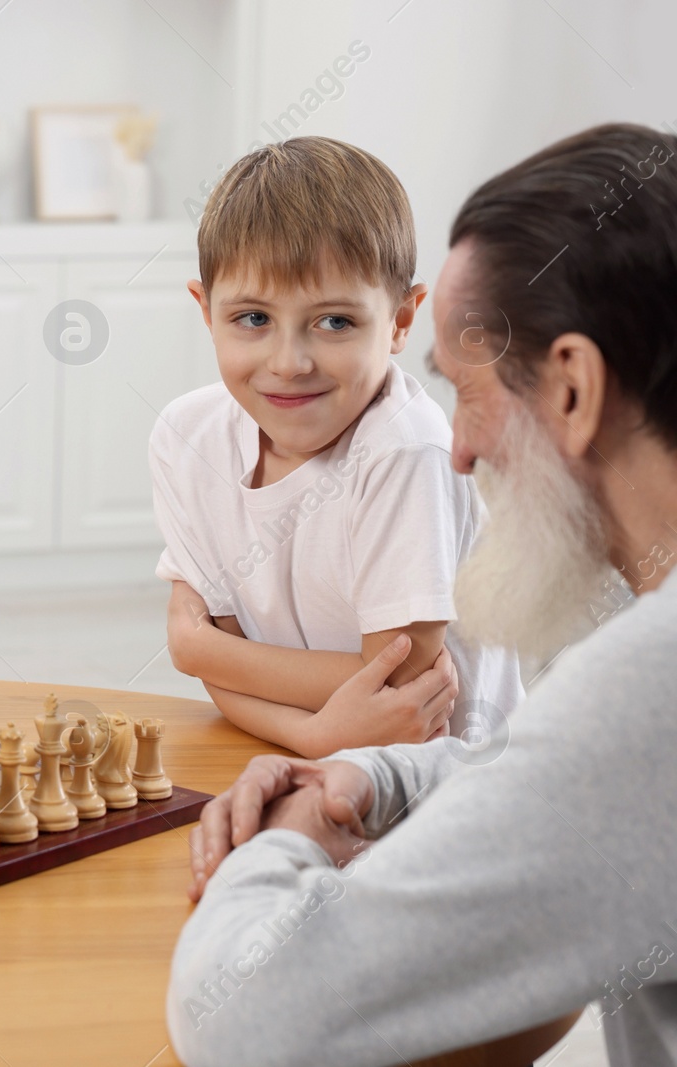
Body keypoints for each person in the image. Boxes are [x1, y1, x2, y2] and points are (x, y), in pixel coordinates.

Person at [169, 122, 677, 1065]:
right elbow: (568, 783)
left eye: (467, 391)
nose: (460, 449)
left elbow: (249, 1024)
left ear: (571, 388)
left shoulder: (655, 682)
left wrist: (283, 840)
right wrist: (370, 776)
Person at [152, 136, 523, 759]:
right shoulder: (188, 437)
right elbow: (215, 667)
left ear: (402, 321)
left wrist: (203, 649)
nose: (289, 363)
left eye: (335, 322)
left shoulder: (405, 452)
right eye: (252, 319)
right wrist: (312, 734)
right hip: (299, 756)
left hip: (440, 790)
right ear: (205, 309)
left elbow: (401, 684)